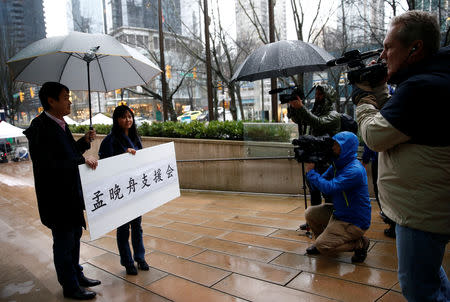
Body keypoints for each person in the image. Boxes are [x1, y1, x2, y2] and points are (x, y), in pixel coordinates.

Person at [352, 10, 450, 302]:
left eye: (388, 47)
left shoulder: (422, 88)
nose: (382, 56)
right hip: (429, 202)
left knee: (418, 287)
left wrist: (362, 101)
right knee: (430, 273)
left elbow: (375, 136)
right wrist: (381, 88)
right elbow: (404, 116)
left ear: (415, 48)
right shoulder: (434, 76)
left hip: (420, 209)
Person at [23, 82, 100, 300]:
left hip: (70, 196)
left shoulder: (59, 124)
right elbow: (50, 164)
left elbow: (68, 152)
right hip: (56, 199)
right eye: (65, 97)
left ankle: (76, 275)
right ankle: (70, 286)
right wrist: (82, 159)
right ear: (51, 100)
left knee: (75, 236)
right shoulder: (40, 129)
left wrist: (83, 142)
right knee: (64, 243)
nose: (69, 101)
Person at [303, 131, 371, 263]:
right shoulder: (337, 164)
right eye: (333, 144)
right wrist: (315, 165)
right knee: (310, 213)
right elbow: (321, 183)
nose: (333, 147)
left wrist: (311, 173)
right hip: (339, 213)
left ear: (346, 148)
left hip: (354, 221)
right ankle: (321, 242)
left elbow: (330, 187)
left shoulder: (354, 170)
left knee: (323, 245)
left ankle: (361, 243)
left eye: (336, 145)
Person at [98, 105, 149, 275]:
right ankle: (127, 262)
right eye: (123, 117)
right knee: (123, 228)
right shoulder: (110, 140)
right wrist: (123, 157)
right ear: (116, 119)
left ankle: (140, 257)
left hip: (135, 189)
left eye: (130, 116)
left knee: (137, 226)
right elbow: (105, 165)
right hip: (119, 191)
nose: (127, 119)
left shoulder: (136, 138)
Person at [288, 84, 341, 229]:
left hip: (328, 162)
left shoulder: (333, 115)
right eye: (316, 94)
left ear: (328, 97)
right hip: (314, 158)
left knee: (328, 193)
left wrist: (301, 108)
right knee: (313, 190)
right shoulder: (315, 112)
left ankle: (331, 223)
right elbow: (302, 119)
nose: (317, 97)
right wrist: (293, 106)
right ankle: (314, 220)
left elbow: (317, 123)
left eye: (320, 95)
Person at [361, 144, 396, 238]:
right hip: (396, 160)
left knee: (380, 189)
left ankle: (391, 223)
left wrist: (364, 161)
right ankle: (393, 220)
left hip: (380, 160)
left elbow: (370, 144)